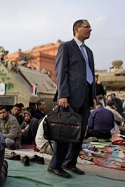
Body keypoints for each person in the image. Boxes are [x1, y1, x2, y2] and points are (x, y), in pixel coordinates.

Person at [48, 19, 96, 178]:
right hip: (69, 97)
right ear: (76, 29)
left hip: (85, 97)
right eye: (87, 26)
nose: (90, 29)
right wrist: (63, 94)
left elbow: (90, 75)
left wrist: (93, 96)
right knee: (64, 131)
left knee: (80, 132)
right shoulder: (66, 47)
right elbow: (61, 71)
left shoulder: (89, 51)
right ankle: (55, 165)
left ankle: (70, 163)